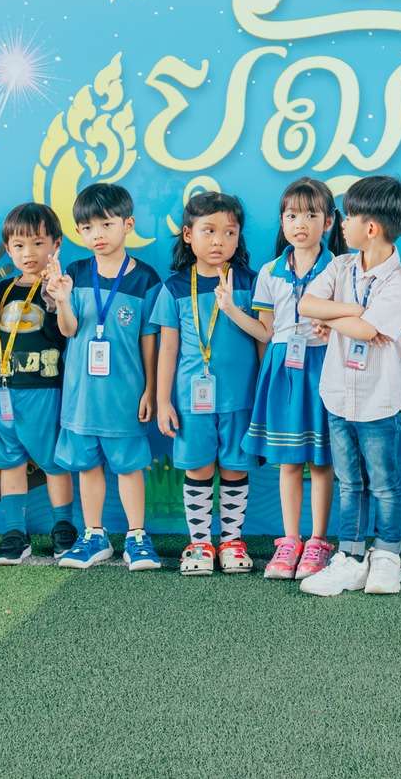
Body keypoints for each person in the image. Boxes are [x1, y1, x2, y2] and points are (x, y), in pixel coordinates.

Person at [296, 175, 401, 597]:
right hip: (337, 396)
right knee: (349, 482)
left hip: (380, 402)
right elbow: (305, 304)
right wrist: (350, 312)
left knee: (383, 481)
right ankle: (349, 557)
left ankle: (386, 557)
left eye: (347, 217)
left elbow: (368, 332)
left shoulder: (399, 279)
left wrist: (336, 320)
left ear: (371, 228)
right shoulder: (339, 266)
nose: (340, 225)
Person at [52, 181, 165, 572]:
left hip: (125, 395)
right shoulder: (75, 272)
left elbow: (150, 340)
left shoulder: (146, 279)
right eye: (87, 228)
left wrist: (151, 389)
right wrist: (63, 300)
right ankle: (94, 535)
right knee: (87, 465)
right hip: (82, 397)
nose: (96, 235)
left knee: (129, 466)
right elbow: (67, 329)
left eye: (105, 224)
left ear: (127, 224)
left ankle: (137, 536)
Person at [154, 190, 267, 576]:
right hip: (191, 401)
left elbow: (262, 343)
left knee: (236, 469)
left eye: (229, 232)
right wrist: (163, 400)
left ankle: (232, 542)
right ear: (188, 235)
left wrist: (265, 398)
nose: (219, 241)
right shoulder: (174, 288)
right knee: (199, 468)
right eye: (209, 231)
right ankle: (200, 543)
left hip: (241, 399)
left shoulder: (253, 283)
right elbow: (167, 349)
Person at [247, 176, 343, 580]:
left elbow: (351, 318)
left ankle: (318, 542)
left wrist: (332, 329)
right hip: (284, 369)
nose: (300, 223)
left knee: (321, 462)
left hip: (325, 366)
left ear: (330, 221)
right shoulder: (269, 271)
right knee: (289, 461)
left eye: (310, 214)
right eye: (291, 215)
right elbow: (266, 332)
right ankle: (290, 541)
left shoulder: (341, 268)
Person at [0, 201, 76, 564]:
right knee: (9, 461)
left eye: (37, 243)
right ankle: (16, 532)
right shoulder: (1, 290)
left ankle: (64, 528)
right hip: (3, 390)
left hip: (44, 390)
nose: (28, 253)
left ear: (56, 245)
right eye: (18, 245)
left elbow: (62, 335)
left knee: (54, 462)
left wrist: (54, 295)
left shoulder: (61, 287)